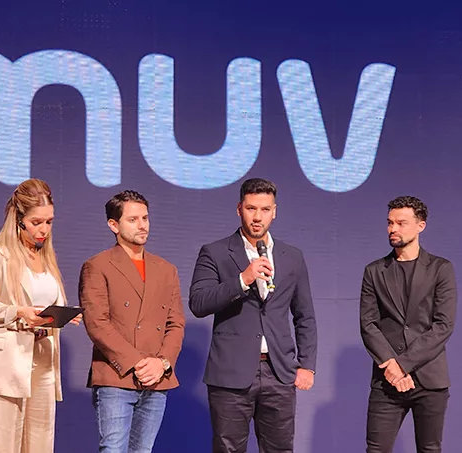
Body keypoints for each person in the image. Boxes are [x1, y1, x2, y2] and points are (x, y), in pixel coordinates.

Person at [189, 178, 318, 453]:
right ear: (239, 209)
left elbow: (304, 315)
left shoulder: (292, 256)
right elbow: (198, 303)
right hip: (230, 373)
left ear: (274, 212)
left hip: (279, 372)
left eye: (265, 209)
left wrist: (307, 365)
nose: (257, 217)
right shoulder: (215, 252)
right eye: (251, 208)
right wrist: (242, 280)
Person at [0, 178, 81, 453]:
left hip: (43, 360)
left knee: (41, 445)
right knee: (3, 445)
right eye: (36, 222)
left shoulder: (46, 258)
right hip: (8, 361)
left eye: (49, 222)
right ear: (18, 219)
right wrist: (17, 312)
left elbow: (47, 306)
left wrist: (62, 316)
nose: (44, 229)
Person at [79, 190, 185, 453]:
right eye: (133, 219)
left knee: (143, 451)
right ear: (113, 225)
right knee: (113, 449)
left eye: (145, 218)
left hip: (156, 378)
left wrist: (162, 363)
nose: (142, 225)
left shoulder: (166, 269)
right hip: (117, 376)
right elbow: (97, 323)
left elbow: (175, 323)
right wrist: (138, 362)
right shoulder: (98, 265)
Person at [359, 196, 457, 453]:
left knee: (429, 449)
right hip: (386, 381)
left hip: (429, 379)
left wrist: (403, 365)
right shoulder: (374, 271)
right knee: (376, 449)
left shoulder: (440, 268)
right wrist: (391, 366)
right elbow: (368, 324)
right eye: (390, 223)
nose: (393, 229)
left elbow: (443, 325)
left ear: (420, 226)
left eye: (401, 223)